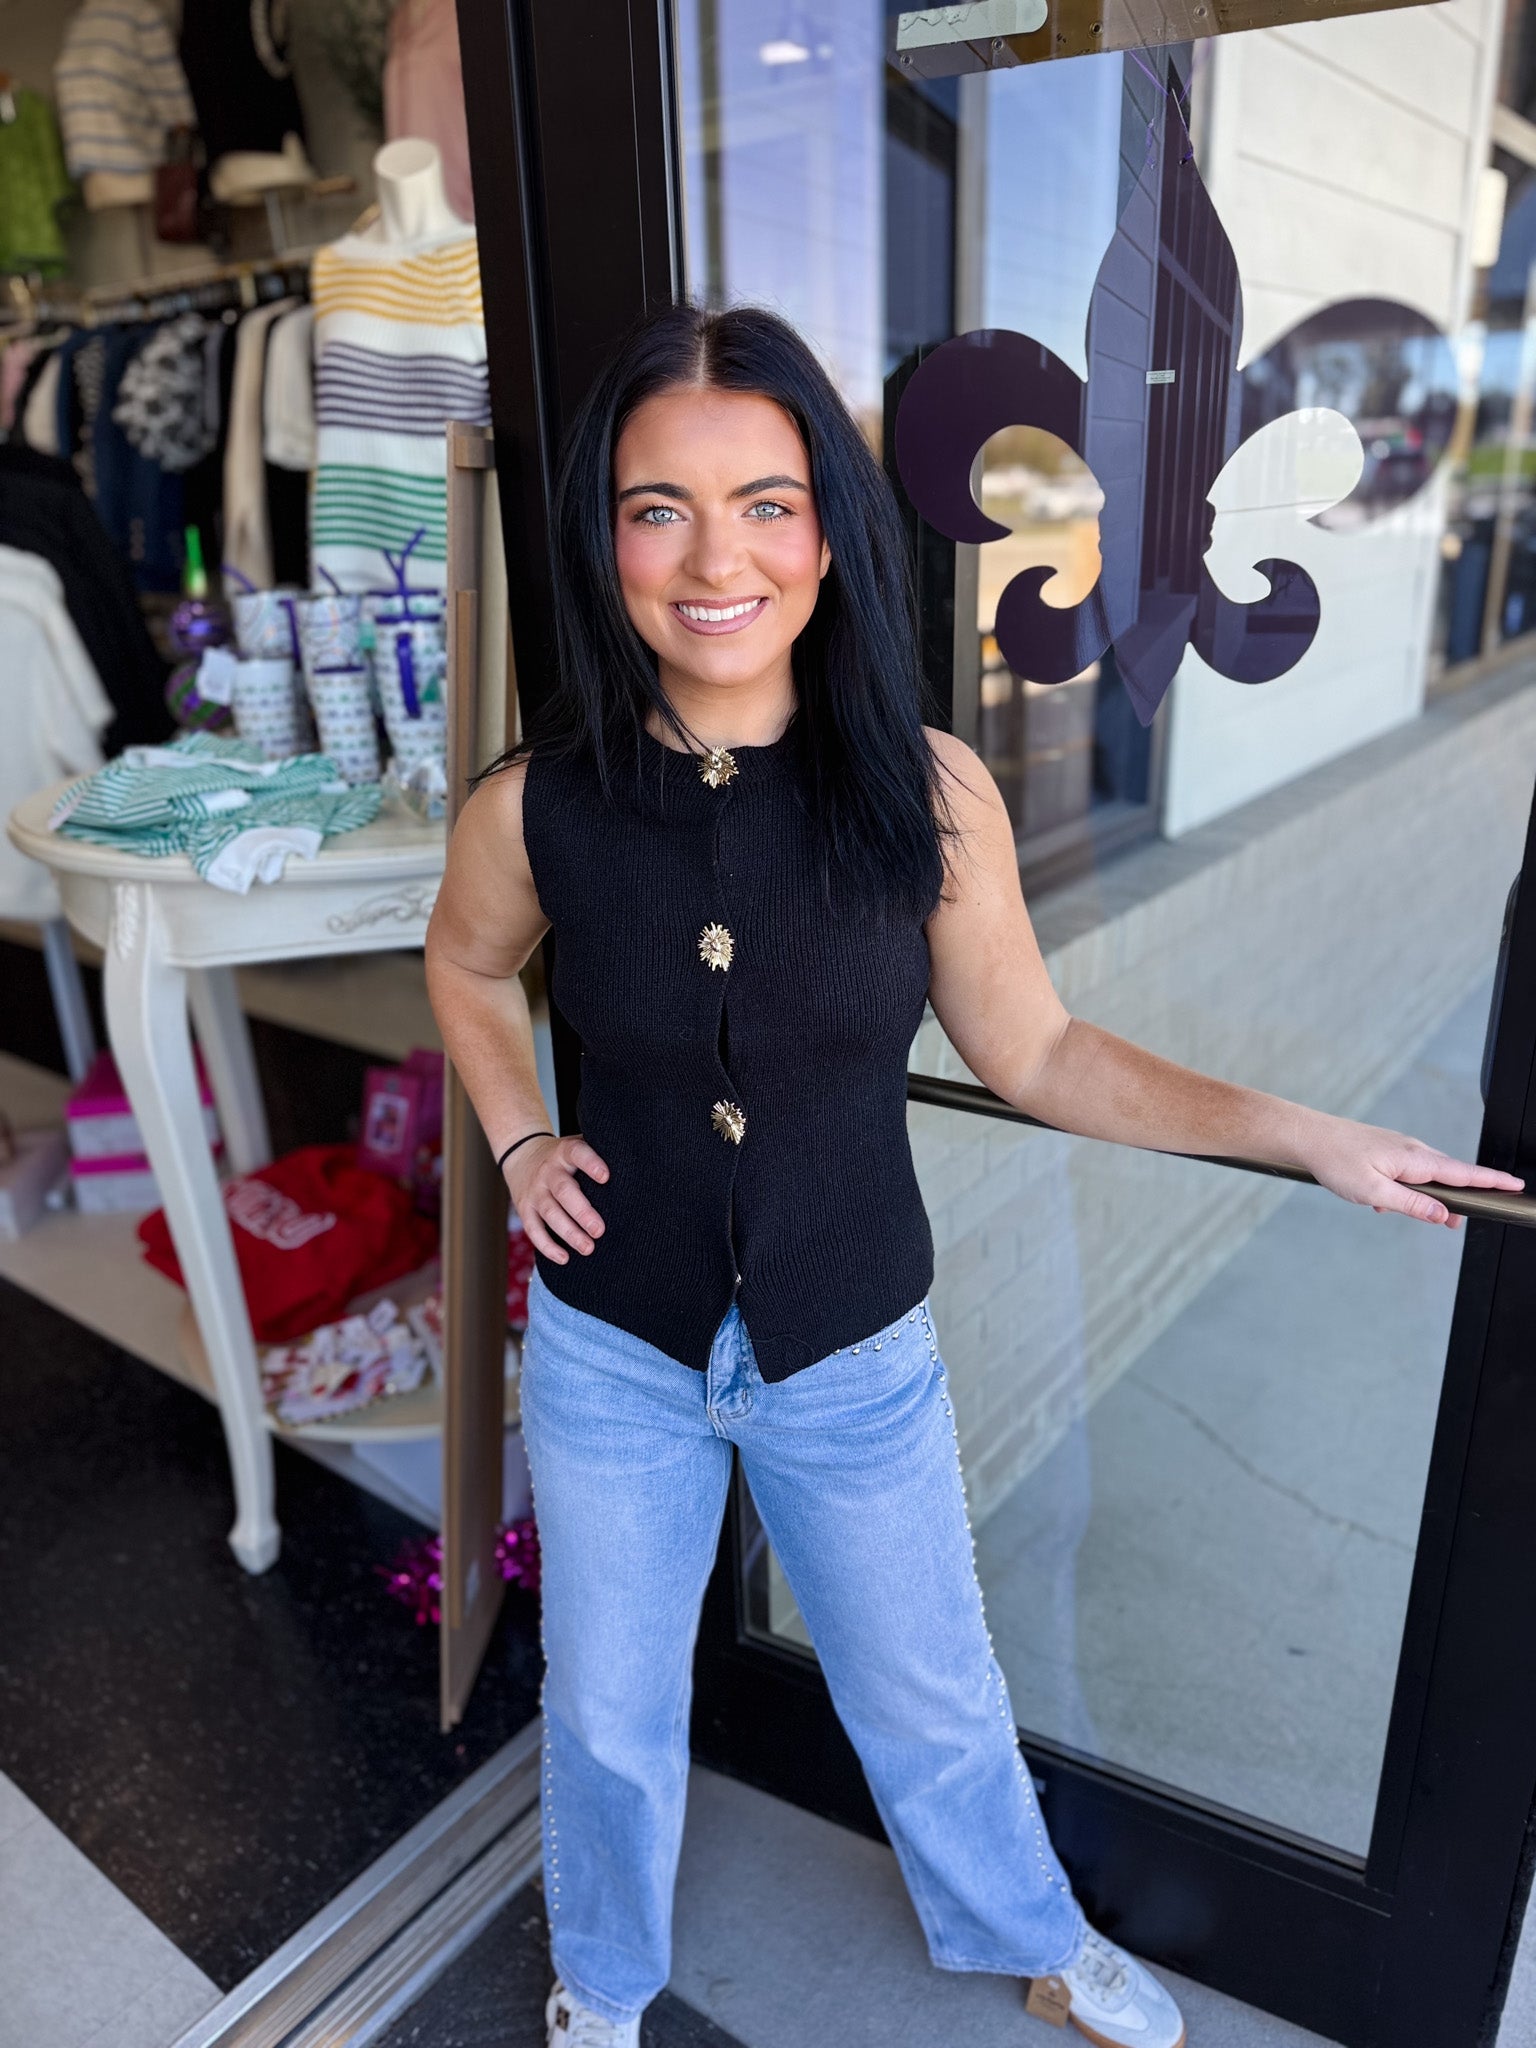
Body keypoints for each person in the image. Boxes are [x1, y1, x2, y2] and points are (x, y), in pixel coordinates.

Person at [424, 303, 1519, 2048]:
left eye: (766, 504)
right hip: (611, 1343)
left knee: (928, 1693)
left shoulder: (921, 792)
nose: (715, 560)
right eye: (657, 509)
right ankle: (605, 1984)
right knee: (609, 1711)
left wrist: (1307, 1134)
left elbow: (1046, 1053)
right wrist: (518, 1136)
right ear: (601, 537)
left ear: (829, 532)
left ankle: (1029, 1932)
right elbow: (469, 968)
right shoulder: (535, 803)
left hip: (850, 1342)